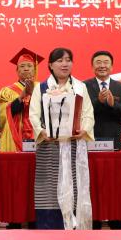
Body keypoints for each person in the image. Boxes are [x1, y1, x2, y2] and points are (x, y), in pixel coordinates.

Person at [29, 47, 94, 229]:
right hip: (49, 147)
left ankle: (75, 232)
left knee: (75, 187)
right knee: (48, 192)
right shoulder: (41, 88)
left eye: (68, 60)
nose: (64, 64)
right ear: (50, 65)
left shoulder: (80, 87)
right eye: (59, 60)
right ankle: (49, 231)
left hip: (74, 146)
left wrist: (84, 129)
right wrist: (42, 131)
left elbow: (88, 114)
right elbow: (34, 115)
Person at [85, 50, 121, 229]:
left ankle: (117, 223)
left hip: (115, 144)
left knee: (115, 187)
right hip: (91, 143)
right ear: (92, 66)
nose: (102, 65)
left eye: (106, 62)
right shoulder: (83, 86)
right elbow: (81, 113)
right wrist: (98, 101)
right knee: (92, 186)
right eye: (98, 62)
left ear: (112, 66)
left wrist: (114, 104)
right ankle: (94, 223)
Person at [0, 47, 43, 152]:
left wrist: (34, 95)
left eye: (29, 66)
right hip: (16, 136)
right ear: (17, 70)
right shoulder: (8, 91)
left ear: (35, 69)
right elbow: (1, 115)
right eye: (22, 66)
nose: (26, 69)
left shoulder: (43, 88)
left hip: (39, 136)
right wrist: (21, 97)